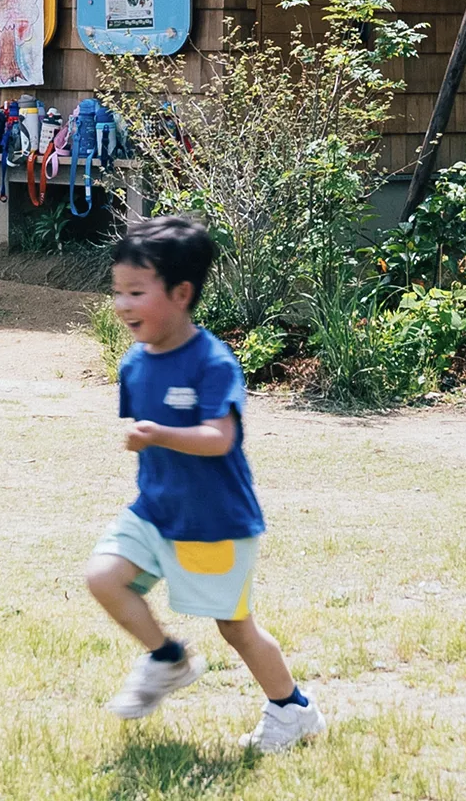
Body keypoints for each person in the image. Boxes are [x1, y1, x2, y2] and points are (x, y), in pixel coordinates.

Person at [83, 216, 324, 752]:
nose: (122, 304)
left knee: (235, 627)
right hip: (156, 512)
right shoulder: (134, 363)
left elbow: (220, 438)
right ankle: (167, 658)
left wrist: (159, 434)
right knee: (103, 576)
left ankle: (293, 711)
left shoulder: (212, 361)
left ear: (181, 293)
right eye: (117, 291)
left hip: (215, 520)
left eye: (136, 292)